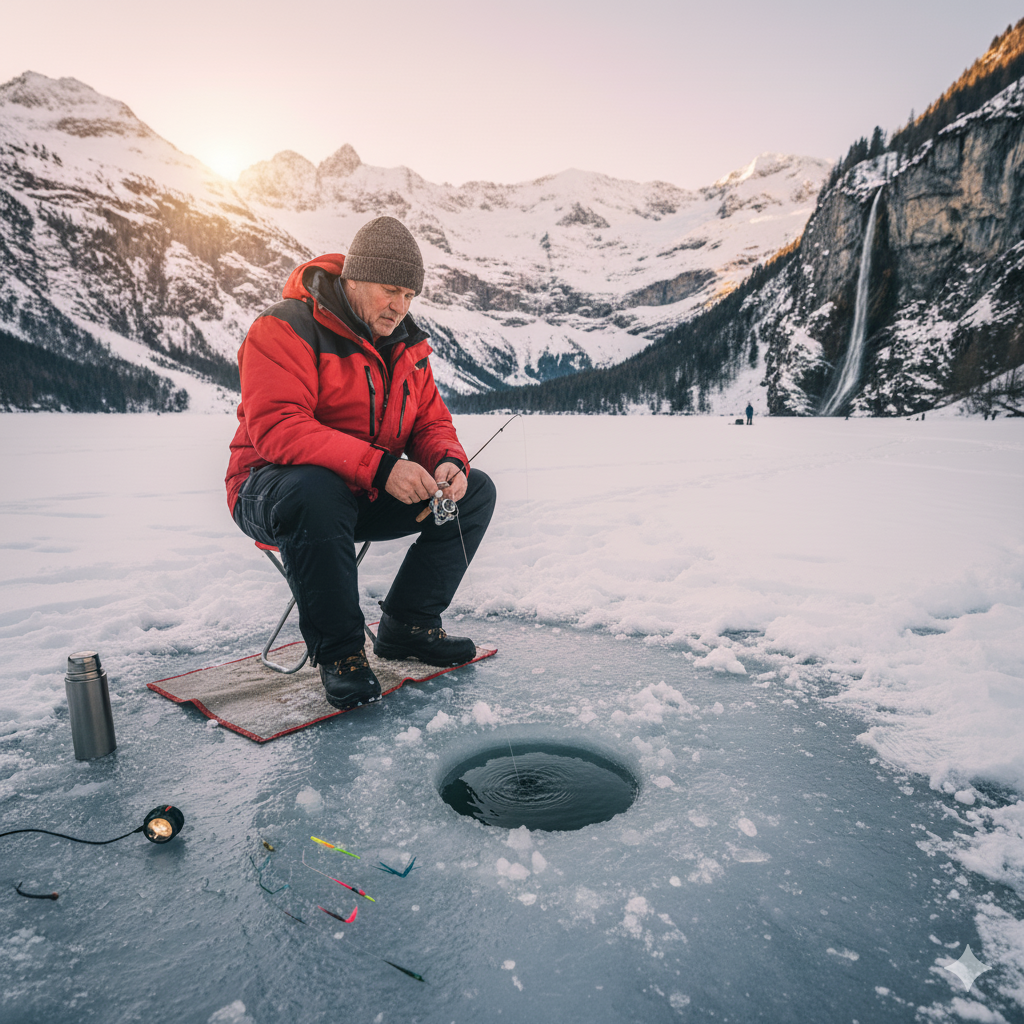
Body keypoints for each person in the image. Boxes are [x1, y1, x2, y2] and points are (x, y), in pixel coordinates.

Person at [224, 216, 496, 712]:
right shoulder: (285, 327)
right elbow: (278, 427)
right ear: (352, 279)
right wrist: (381, 468)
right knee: (316, 490)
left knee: (473, 491)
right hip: (270, 490)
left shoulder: (408, 348)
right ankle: (342, 655)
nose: (401, 306)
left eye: (410, 296)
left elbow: (431, 424)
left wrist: (448, 464)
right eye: (391, 290)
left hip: (361, 492)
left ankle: (408, 626)